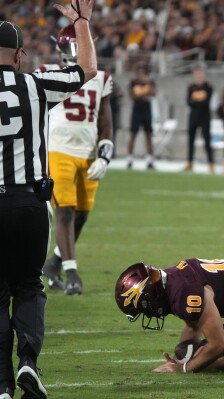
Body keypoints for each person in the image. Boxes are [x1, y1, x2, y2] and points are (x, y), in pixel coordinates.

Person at [0, 1, 97, 397]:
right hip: (29, 205)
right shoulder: (35, 84)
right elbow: (87, 71)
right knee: (28, 287)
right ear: (20, 54)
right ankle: (28, 361)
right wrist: (82, 22)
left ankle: (3, 385)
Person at [39, 23, 114, 296]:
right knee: (66, 211)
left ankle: (54, 263)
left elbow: (106, 123)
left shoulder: (102, 78)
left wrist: (105, 156)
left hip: (87, 152)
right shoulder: (47, 73)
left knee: (81, 214)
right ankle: (71, 272)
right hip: (58, 149)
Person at [184, 66, 213, 172]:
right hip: (193, 116)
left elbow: (207, 102)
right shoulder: (191, 87)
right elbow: (189, 102)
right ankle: (190, 162)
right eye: (197, 73)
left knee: (207, 140)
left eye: (201, 73)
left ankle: (210, 163)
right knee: (191, 140)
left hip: (205, 117)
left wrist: (196, 98)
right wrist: (196, 98)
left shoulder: (208, 87)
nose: (199, 76)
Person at [126, 62, 155, 170]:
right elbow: (134, 96)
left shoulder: (150, 82)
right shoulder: (134, 82)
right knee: (133, 134)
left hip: (146, 110)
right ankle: (129, 159)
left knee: (149, 135)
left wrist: (146, 88)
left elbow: (153, 93)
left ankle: (149, 159)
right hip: (137, 109)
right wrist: (144, 92)